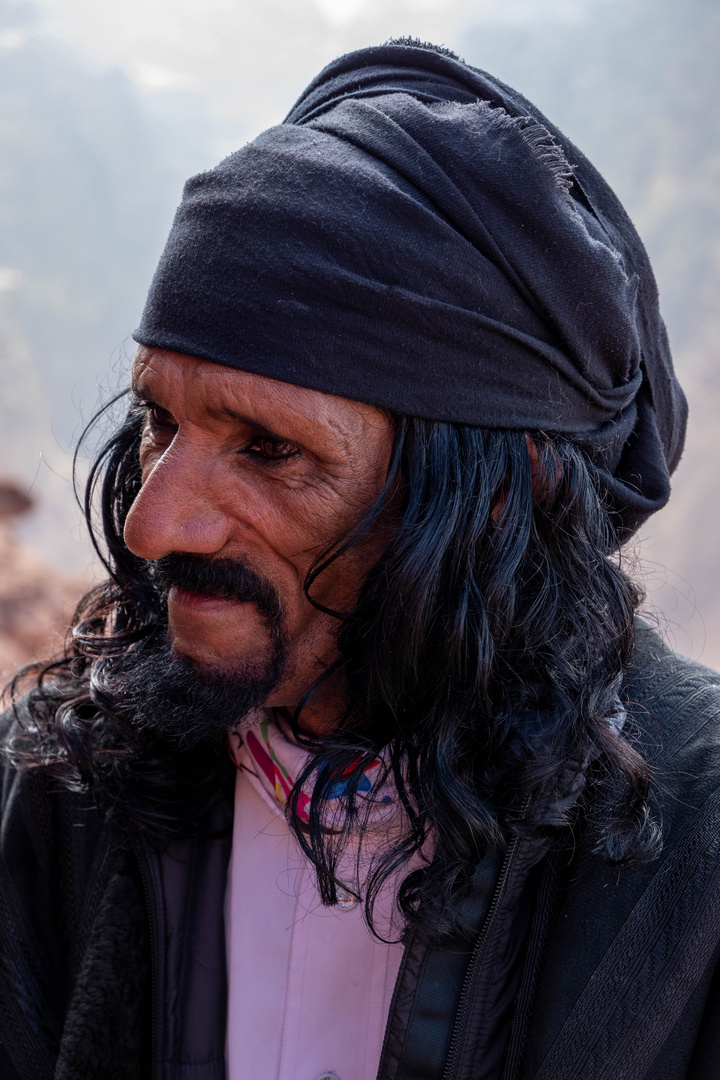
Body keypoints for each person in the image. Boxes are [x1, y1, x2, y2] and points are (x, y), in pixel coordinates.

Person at [1, 38, 718, 1080]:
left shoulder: (691, 873)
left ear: (501, 487)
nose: (157, 525)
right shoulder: (66, 794)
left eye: (270, 450)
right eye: (159, 419)